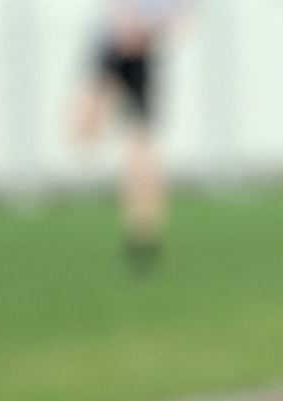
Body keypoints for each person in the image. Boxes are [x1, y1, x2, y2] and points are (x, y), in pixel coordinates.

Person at [72, 0, 186, 274]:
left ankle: (144, 238)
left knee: (142, 158)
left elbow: (183, 21)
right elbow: (119, 19)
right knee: (85, 131)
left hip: (140, 57)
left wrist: (149, 30)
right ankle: (137, 228)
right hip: (113, 51)